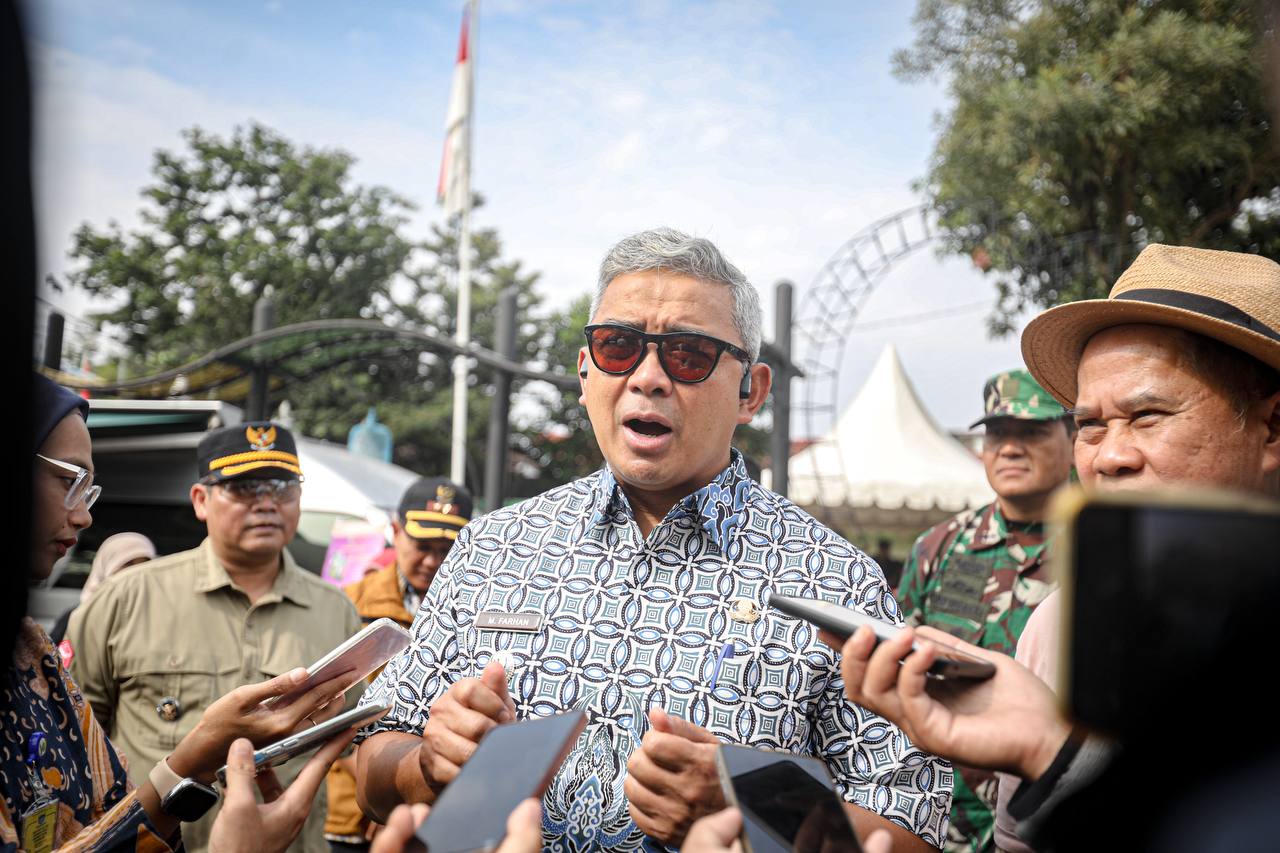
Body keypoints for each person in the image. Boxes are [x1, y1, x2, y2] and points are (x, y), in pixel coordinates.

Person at [353, 228, 951, 852]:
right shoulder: (492, 548)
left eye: (688, 355)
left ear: (750, 392)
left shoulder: (834, 580)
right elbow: (372, 767)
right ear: (584, 373)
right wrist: (428, 766)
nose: (648, 377)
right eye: (618, 346)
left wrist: (753, 804)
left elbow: (913, 826)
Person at [836, 244, 1280, 849]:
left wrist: (1054, 752)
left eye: (1147, 415)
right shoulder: (1058, 623)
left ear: (1272, 427)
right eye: (1090, 426)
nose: (1110, 457)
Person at [5, 375, 350, 853]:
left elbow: (357, 742)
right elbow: (81, 755)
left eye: (281, 487)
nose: (266, 503)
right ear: (201, 501)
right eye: (245, 487)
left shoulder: (339, 611)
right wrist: (193, 762)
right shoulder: (126, 599)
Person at [896, 368, 1072, 852]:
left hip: (1050, 824)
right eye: (997, 434)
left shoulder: (1103, 554)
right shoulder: (939, 548)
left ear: (1074, 438)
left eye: (1031, 432)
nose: (1010, 448)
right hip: (941, 826)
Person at [324, 478, 472, 852]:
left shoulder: (474, 613)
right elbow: (329, 716)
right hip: (350, 815)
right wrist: (388, 796)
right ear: (395, 531)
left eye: (446, 549)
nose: (432, 561)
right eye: (422, 546)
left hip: (439, 815)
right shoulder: (349, 605)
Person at [50, 533, 157, 644]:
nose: (137, 571)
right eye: (128, 564)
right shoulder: (76, 618)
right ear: (107, 564)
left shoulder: (158, 616)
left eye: (145, 564)